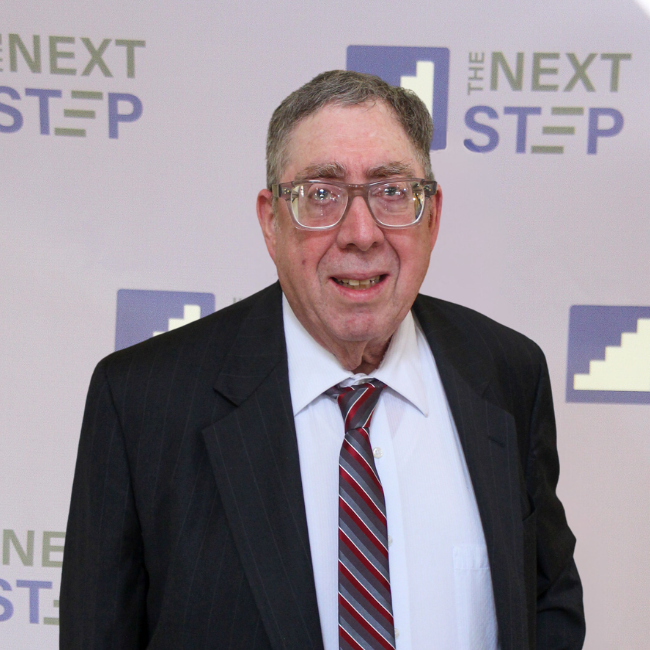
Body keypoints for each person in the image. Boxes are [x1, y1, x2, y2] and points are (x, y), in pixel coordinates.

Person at [60, 70, 585, 650]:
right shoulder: (142, 402)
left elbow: (548, 601)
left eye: (391, 191)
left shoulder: (509, 373)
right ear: (271, 221)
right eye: (322, 194)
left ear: (432, 216)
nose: (361, 233)